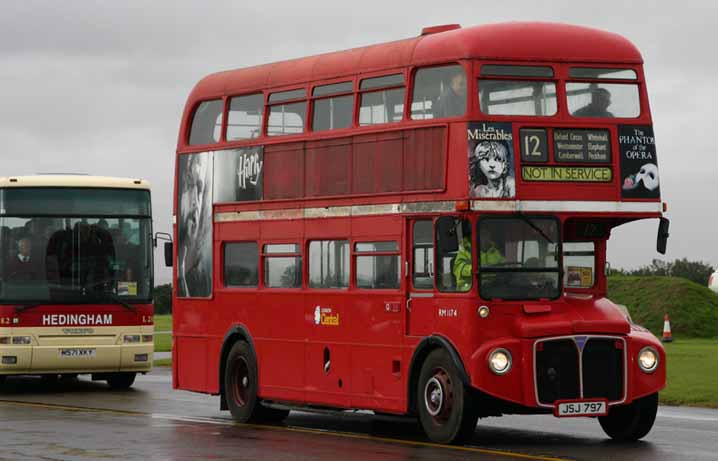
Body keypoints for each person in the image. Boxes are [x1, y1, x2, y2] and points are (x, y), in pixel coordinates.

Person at [178, 153, 213, 297]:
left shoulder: (205, 276)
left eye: (199, 189)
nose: (195, 202)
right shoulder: (182, 266)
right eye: (189, 186)